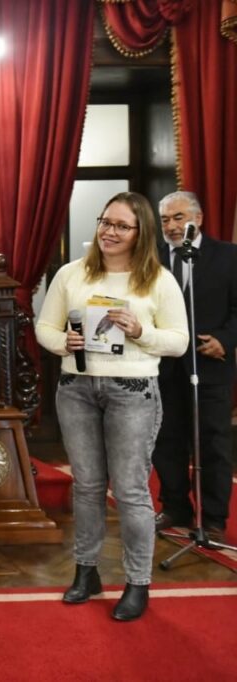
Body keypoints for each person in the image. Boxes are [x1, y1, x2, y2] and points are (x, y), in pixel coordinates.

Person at [36, 191, 188, 621]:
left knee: (130, 490)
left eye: (121, 225)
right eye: (105, 222)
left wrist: (141, 331)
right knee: (85, 485)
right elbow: (45, 326)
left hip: (133, 390)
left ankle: (138, 583)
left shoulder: (158, 279)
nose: (109, 231)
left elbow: (178, 341)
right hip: (76, 388)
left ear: (141, 233)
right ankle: (87, 572)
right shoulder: (71, 274)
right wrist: (62, 340)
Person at [151, 191, 237, 542]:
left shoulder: (228, 256)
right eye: (166, 220)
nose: (172, 226)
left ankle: (214, 516)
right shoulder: (152, 259)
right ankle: (175, 506)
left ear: (198, 219)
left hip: (210, 364)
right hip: (164, 366)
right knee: (167, 440)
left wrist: (226, 341)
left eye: (179, 217)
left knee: (213, 441)